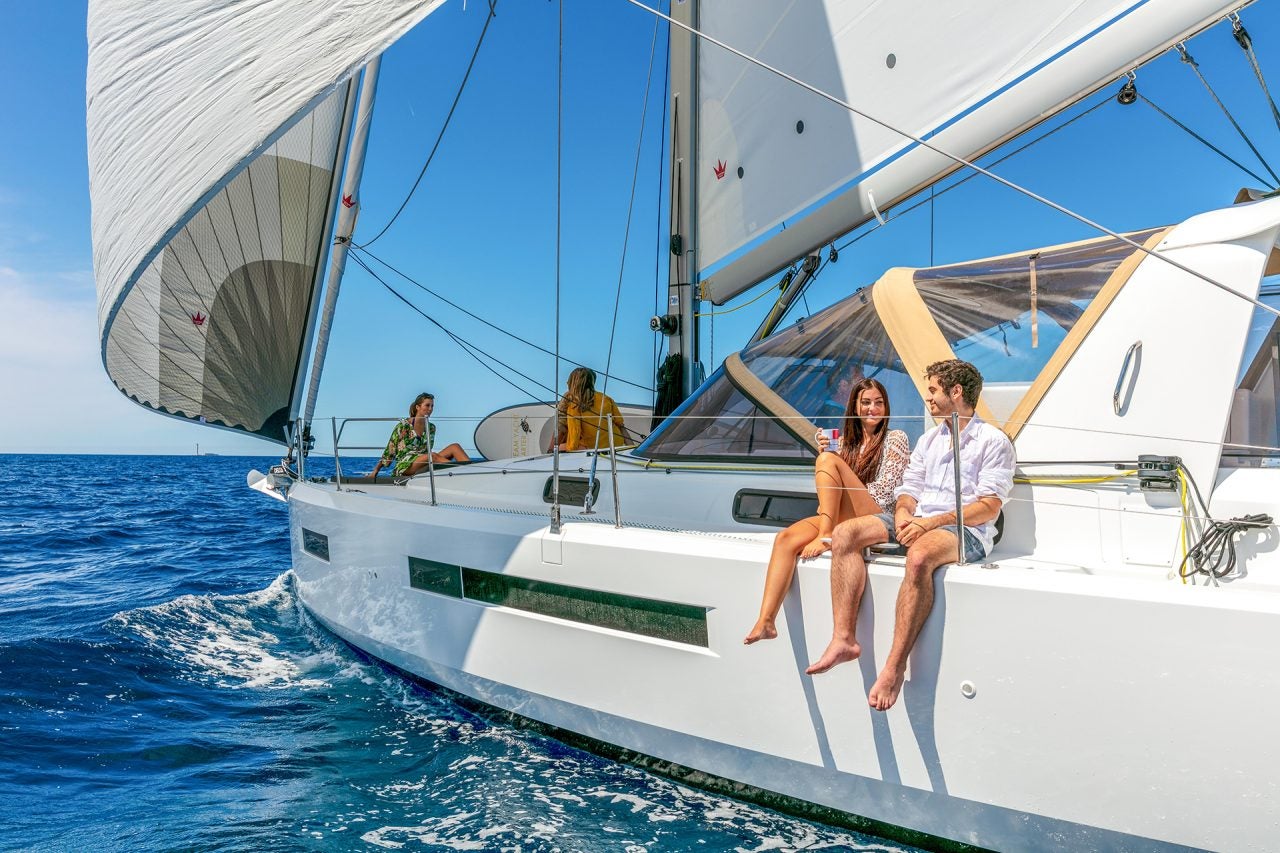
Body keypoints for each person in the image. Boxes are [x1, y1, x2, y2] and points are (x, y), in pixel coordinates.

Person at [805, 359, 1015, 713]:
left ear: (956, 392)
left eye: (933, 390)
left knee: (919, 557)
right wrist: (903, 513)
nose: (928, 398)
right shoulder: (929, 440)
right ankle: (844, 638)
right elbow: (909, 489)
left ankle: (894, 666)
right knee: (845, 533)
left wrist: (929, 525)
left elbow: (989, 506)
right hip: (918, 519)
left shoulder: (993, 441)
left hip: (965, 530)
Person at [744, 378, 910, 645]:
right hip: (847, 513)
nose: (873, 408)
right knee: (785, 539)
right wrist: (828, 454)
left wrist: (832, 465)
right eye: (866, 402)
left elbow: (885, 491)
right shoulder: (845, 444)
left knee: (826, 460)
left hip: (877, 512)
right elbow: (831, 490)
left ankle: (825, 533)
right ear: (855, 406)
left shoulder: (895, 439)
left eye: (879, 403)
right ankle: (766, 621)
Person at [371, 392, 471, 478]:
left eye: (432, 406)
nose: (430, 409)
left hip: (424, 460)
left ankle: (473, 472)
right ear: (418, 407)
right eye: (427, 405)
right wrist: (376, 471)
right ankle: (465, 473)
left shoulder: (431, 427)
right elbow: (390, 450)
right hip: (405, 465)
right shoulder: (403, 426)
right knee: (432, 456)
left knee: (455, 447)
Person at [551, 367, 627, 452]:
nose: (567, 382)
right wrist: (631, 446)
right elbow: (620, 425)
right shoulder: (606, 398)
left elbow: (562, 428)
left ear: (573, 382)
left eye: (569, 380)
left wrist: (550, 451)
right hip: (616, 444)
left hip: (591, 448)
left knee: (559, 449)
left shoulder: (570, 399)